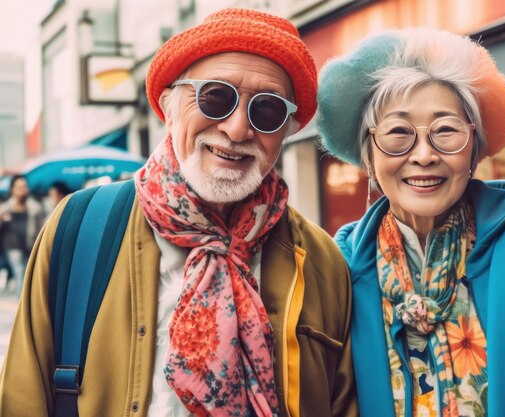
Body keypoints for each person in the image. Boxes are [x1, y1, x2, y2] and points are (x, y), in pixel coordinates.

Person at [0, 8, 357, 417]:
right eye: (216, 97)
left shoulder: (321, 260)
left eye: (268, 110)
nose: (238, 128)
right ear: (169, 106)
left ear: (287, 131)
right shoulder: (79, 226)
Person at [316, 27, 505, 417]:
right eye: (398, 133)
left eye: (446, 130)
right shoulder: (334, 272)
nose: (425, 155)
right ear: (369, 155)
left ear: (474, 149)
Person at [0, 175, 45, 297]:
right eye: (19, 187)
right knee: (20, 276)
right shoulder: (4, 209)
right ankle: (22, 306)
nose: (23, 190)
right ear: (12, 190)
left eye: (25, 187)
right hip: (12, 248)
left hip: (30, 248)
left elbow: (42, 229)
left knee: (30, 279)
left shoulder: (35, 208)